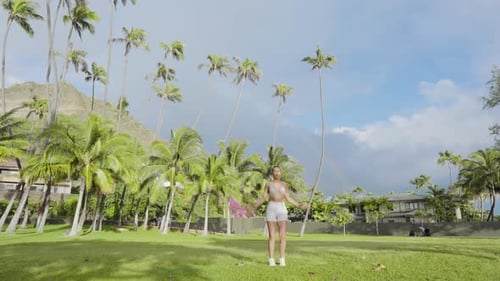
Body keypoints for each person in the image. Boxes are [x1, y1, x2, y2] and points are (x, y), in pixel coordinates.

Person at [252, 166, 308, 267]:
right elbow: (264, 198)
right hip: (271, 209)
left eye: (278, 171)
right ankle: (271, 259)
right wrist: (254, 207)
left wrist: (300, 205)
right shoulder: (268, 184)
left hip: (282, 209)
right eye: (275, 171)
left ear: (281, 173)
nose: (277, 173)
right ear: (272, 173)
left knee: (283, 236)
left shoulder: (284, 185)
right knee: (272, 236)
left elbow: (288, 198)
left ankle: (282, 259)